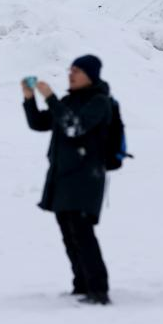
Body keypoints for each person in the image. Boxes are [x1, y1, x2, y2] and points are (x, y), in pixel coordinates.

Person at [22, 55, 112, 305]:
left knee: (82, 233)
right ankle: (81, 284)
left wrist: (50, 98)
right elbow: (39, 123)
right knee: (69, 233)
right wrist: (29, 99)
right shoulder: (69, 101)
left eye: (77, 71)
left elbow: (74, 127)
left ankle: (98, 290)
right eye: (70, 70)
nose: (71, 74)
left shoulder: (99, 101)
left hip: (86, 177)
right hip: (63, 177)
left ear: (90, 75)